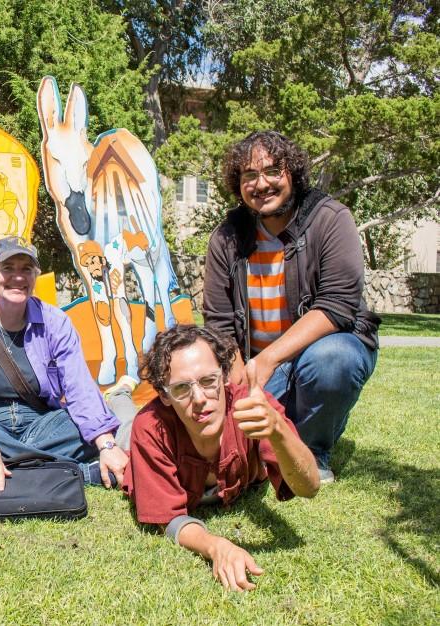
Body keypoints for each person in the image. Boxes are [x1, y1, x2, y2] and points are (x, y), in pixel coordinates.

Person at [204, 130, 380, 482]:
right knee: (228, 435)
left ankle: (313, 450)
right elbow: (219, 323)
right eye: (249, 175)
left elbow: (337, 306)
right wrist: (240, 381)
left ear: (293, 173)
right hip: (256, 368)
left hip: (316, 355)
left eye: (273, 171)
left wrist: (267, 360)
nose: (261, 184)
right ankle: (281, 435)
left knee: (334, 360)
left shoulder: (330, 219)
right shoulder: (227, 236)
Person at [0, 236, 128, 494]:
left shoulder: (55, 321)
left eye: (26, 269)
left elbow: (80, 387)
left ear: (35, 276)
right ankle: (69, 471)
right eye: (8, 268)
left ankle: (3, 467)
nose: (18, 277)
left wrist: (107, 446)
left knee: (88, 427)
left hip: (41, 425)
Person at [123, 324, 320, 591]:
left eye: (208, 381)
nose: (200, 399)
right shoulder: (150, 427)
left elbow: (309, 487)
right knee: (123, 427)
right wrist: (216, 546)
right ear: (164, 396)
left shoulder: (251, 405)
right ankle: (120, 396)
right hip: (129, 437)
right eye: (181, 389)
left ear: (225, 376)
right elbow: (166, 518)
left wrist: (278, 432)